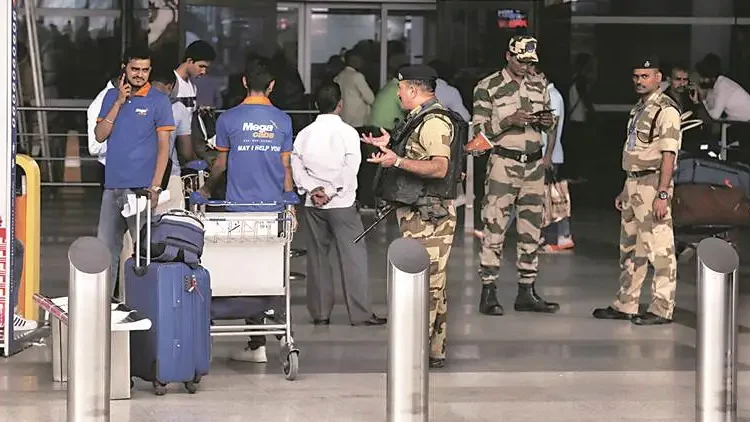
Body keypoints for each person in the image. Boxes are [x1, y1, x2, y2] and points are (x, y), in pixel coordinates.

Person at [192, 56, 296, 362]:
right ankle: (264, 338)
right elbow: (286, 166)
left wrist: (205, 191)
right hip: (272, 210)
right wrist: (291, 207)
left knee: (240, 270)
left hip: (238, 210)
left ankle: (254, 343)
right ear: (272, 86)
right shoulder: (283, 121)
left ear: (244, 82)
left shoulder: (229, 119)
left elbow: (221, 164)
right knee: (268, 272)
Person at [362, 64, 458, 369]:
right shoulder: (419, 118)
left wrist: (397, 161)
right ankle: (434, 351)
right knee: (434, 283)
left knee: (425, 286)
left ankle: (415, 356)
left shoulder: (433, 122)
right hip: (420, 213)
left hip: (430, 216)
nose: (398, 94)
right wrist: (390, 147)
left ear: (414, 89)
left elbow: (440, 167)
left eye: (401, 89)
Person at [472, 35, 559, 316]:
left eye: (530, 61)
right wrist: (508, 120)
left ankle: (527, 290)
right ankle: (488, 290)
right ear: (508, 55)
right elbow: (478, 134)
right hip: (503, 163)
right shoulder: (488, 87)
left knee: (532, 229)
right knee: (494, 226)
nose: (525, 66)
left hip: (533, 165)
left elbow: (550, 125)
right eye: (521, 60)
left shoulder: (539, 84)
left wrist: (547, 122)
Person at [592, 56, 680, 326]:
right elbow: (634, 151)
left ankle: (661, 308)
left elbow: (669, 155)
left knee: (660, 249)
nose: (639, 81)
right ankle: (626, 303)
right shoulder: (640, 108)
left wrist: (663, 193)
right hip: (634, 184)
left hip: (653, 184)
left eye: (645, 76)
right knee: (631, 248)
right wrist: (625, 188)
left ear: (658, 78)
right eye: (636, 76)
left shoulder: (666, 110)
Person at [291, 81, 386, 327]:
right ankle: (361, 314)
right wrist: (331, 191)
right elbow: (350, 168)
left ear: (315, 104)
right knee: (353, 258)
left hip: (313, 204)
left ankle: (321, 313)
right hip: (343, 203)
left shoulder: (304, 134)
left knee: (318, 258)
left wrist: (314, 190)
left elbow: (296, 166)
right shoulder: (348, 133)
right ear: (340, 105)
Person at [94, 46, 174, 295]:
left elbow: (164, 148)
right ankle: (105, 307)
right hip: (112, 187)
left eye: (145, 70)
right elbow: (99, 135)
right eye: (135, 69)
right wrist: (118, 102)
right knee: (105, 253)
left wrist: (156, 186)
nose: (139, 74)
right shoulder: (110, 96)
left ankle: (146, 304)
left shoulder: (159, 101)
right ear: (124, 68)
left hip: (141, 191)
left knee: (144, 253)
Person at [173, 40, 217, 115]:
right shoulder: (170, 82)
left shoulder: (192, 86)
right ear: (190, 61)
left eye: (206, 68)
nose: (203, 72)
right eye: (201, 66)